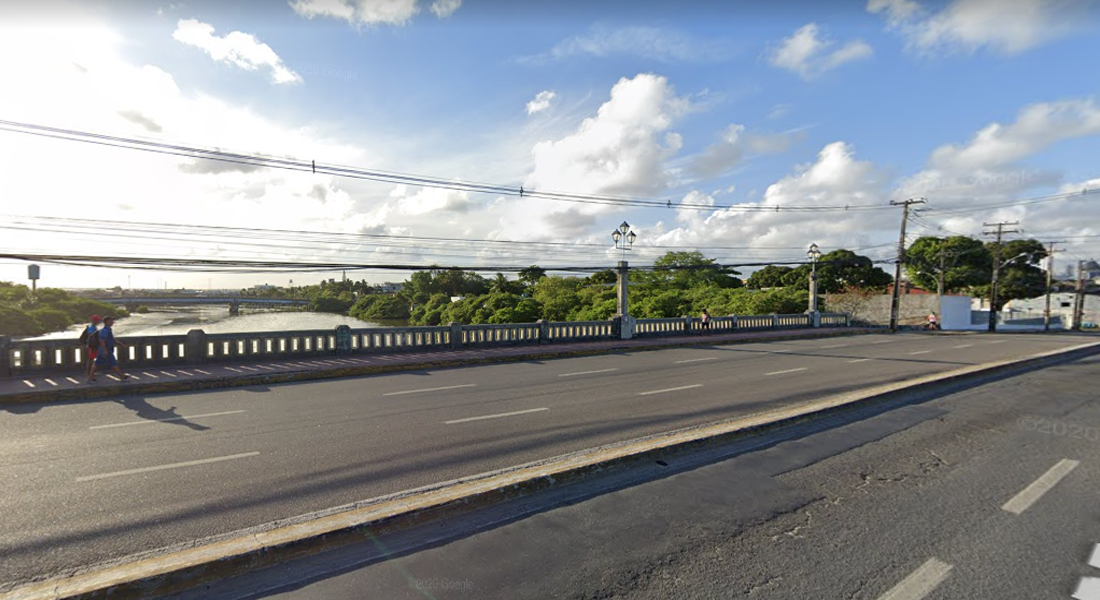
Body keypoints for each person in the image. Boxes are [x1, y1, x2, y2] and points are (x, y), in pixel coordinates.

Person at [88, 316, 130, 383]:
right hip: (105, 350)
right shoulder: (104, 330)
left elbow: (112, 339)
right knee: (112, 363)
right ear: (106, 322)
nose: (112, 322)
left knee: (97, 364)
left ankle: (90, 377)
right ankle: (122, 376)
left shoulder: (108, 330)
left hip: (104, 350)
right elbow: (102, 341)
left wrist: (121, 344)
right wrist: (105, 350)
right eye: (110, 321)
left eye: (112, 321)